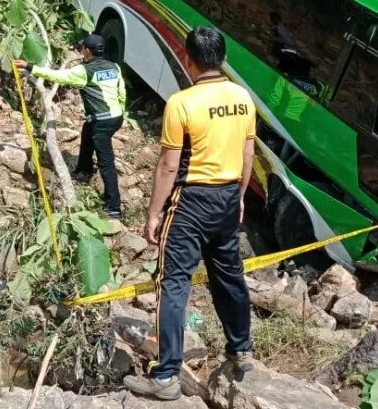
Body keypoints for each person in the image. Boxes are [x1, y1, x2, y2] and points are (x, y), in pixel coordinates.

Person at [123, 26, 256, 401]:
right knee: (229, 274)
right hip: (229, 197)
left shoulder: (181, 103)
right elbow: (248, 154)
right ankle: (240, 348)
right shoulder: (242, 98)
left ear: (188, 59)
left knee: (174, 283)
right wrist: (241, 194)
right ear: (223, 59)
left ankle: (165, 376)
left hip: (191, 203)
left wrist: (153, 213)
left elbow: (168, 166)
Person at [13, 34, 126, 218]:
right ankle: (84, 169)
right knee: (87, 129)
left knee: (106, 163)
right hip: (116, 117)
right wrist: (118, 111)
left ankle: (113, 207)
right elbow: (122, 92)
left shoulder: (84, 71)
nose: (80, 51)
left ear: (88, 51)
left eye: (82, 48)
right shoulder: (114, 67)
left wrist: (30, 66)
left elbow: (58, 76)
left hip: (102, 121)